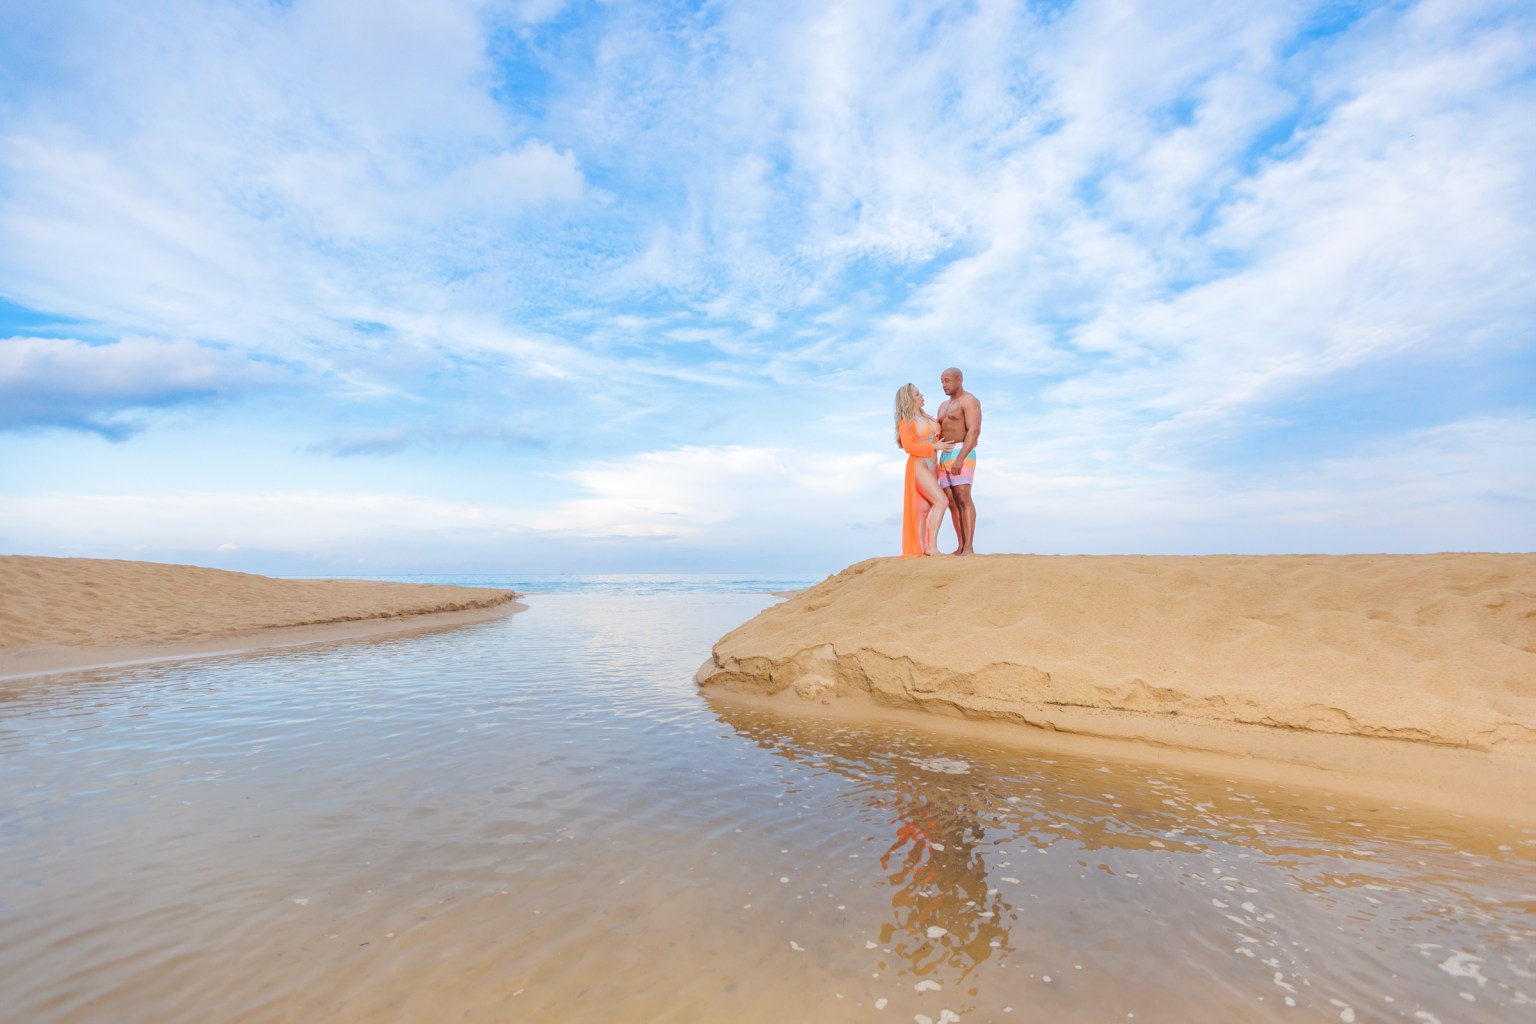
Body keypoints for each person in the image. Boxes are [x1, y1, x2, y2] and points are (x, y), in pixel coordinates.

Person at [894, 383, 955, 557]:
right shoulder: (906, 422)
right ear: (909, 399)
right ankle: (932, 547)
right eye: (917, 394)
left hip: (933, 466)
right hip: (919, 464)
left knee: (924, 509)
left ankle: (920, 551)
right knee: (941, 501)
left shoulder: (928, 417)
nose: (922, 396)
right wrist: (934, 446)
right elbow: (908, 447)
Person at [936, 367, 982, 555]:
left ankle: (969, 547)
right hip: (944, 454)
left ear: (959, 379)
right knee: (952, 502)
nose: (943, 385)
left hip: (961, 452)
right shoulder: (942, 406)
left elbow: (974, 430)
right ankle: (961, 546)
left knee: (963, 498)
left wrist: (961, 457)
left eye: (947, 380)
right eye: (942, 381)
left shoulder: (969, 400)